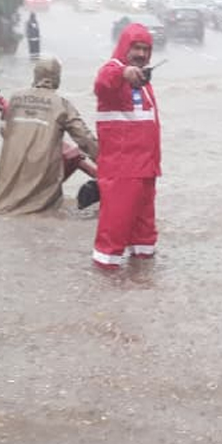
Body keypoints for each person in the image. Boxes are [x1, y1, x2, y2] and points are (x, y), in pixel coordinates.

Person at [91, 23, 162, 268]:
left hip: (146, 170)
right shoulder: (114, 71)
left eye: (146, 49)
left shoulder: (144, 81)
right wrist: (124, 74)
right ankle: (103, 288)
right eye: (136, 48)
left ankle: (142, 284)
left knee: (145, 240)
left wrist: (153, 167)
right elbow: (102, 83)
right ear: (124, 47)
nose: (142, 54)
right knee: (112, 238)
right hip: (122, 172)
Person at [0, 58, 98, 215]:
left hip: (3, 197)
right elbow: (86, 140)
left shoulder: (15, 99)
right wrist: (110, 166)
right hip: (42, 199)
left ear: (35, 76)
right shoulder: (61, 105)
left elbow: (6, 131)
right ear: (57, 78)